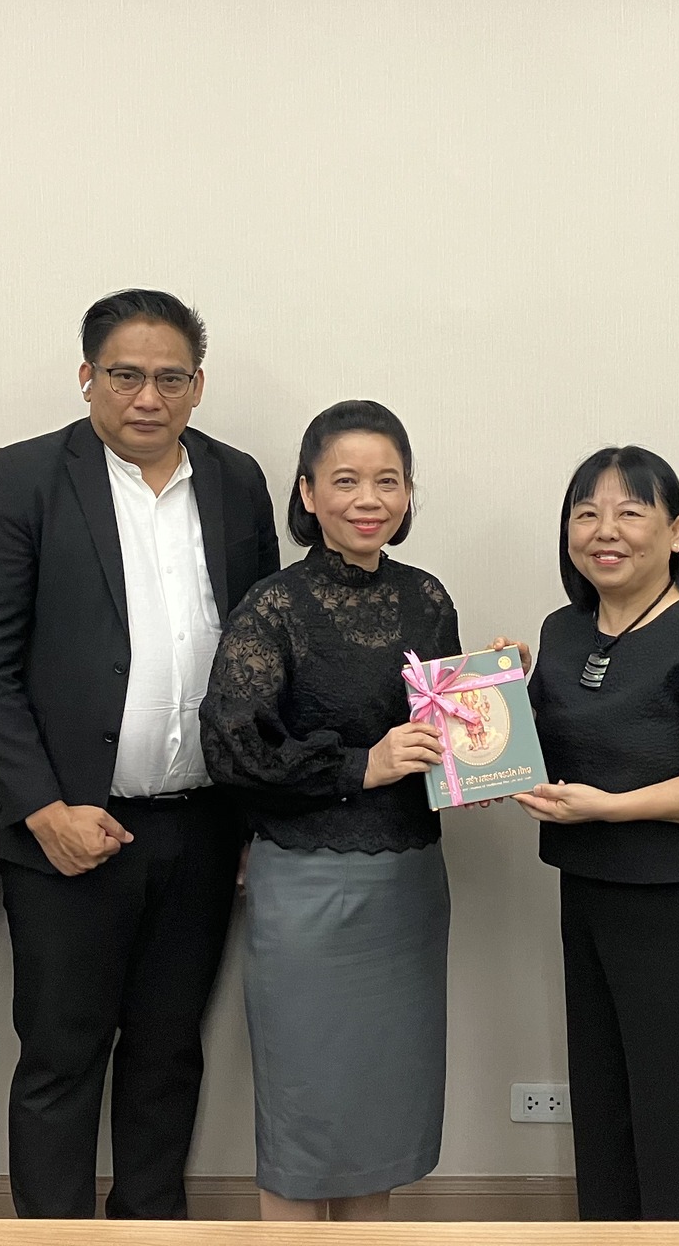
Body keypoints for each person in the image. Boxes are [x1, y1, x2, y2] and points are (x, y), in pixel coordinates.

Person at [0, 289, 279, 1220]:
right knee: (61, 1057)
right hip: (67, 827)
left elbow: (265, 652)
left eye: (170, 378)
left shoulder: (235, 479)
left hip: (202, 825)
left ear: (198, 386)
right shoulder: (27, 476)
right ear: (87, 376)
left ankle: (151, 1229)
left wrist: (256, 817)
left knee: (169, 1053)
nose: (148, 397)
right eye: (126, 375)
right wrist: (41, 808)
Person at [199, 400, 459, 1222]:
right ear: (308, 494)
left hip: (410, 885)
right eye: (345, 481)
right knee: (305, 1112)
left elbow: (446, 735)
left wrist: (495, 701)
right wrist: (361, 764)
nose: (368, 499)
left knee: (380, 1114)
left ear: (409, 493)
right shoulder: (274, 605)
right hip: (308, 886)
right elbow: (232, 747)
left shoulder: (427, 597)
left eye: (388, 481)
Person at [513, 446, 679, 1220]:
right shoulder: (564, 632)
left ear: (676, 532)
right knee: (610, 1108)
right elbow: (544, 752)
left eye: (631, 511)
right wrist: (493, 696)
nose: (606, 530)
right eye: (586, 513)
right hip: (594, 897)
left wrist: (613, 807)